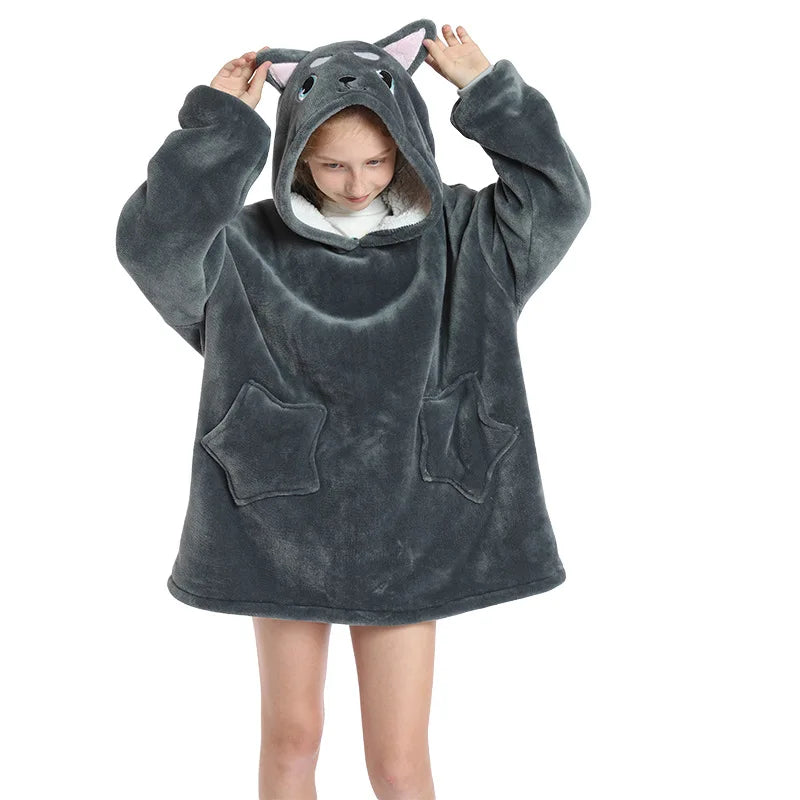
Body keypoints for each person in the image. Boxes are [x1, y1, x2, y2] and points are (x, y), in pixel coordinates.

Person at [115, 19, 590, 800]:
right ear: (296, 154)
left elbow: (557, 199)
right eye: (331, 163)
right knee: (293, 738)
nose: (357, 183)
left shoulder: (469, 238)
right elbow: (154, 246)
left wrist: (488, 92)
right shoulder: (243, 247)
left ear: (407, 145)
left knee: (398, 761)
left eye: (377, 160)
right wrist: (219, 125)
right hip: (281, 519)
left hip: (415, 523)